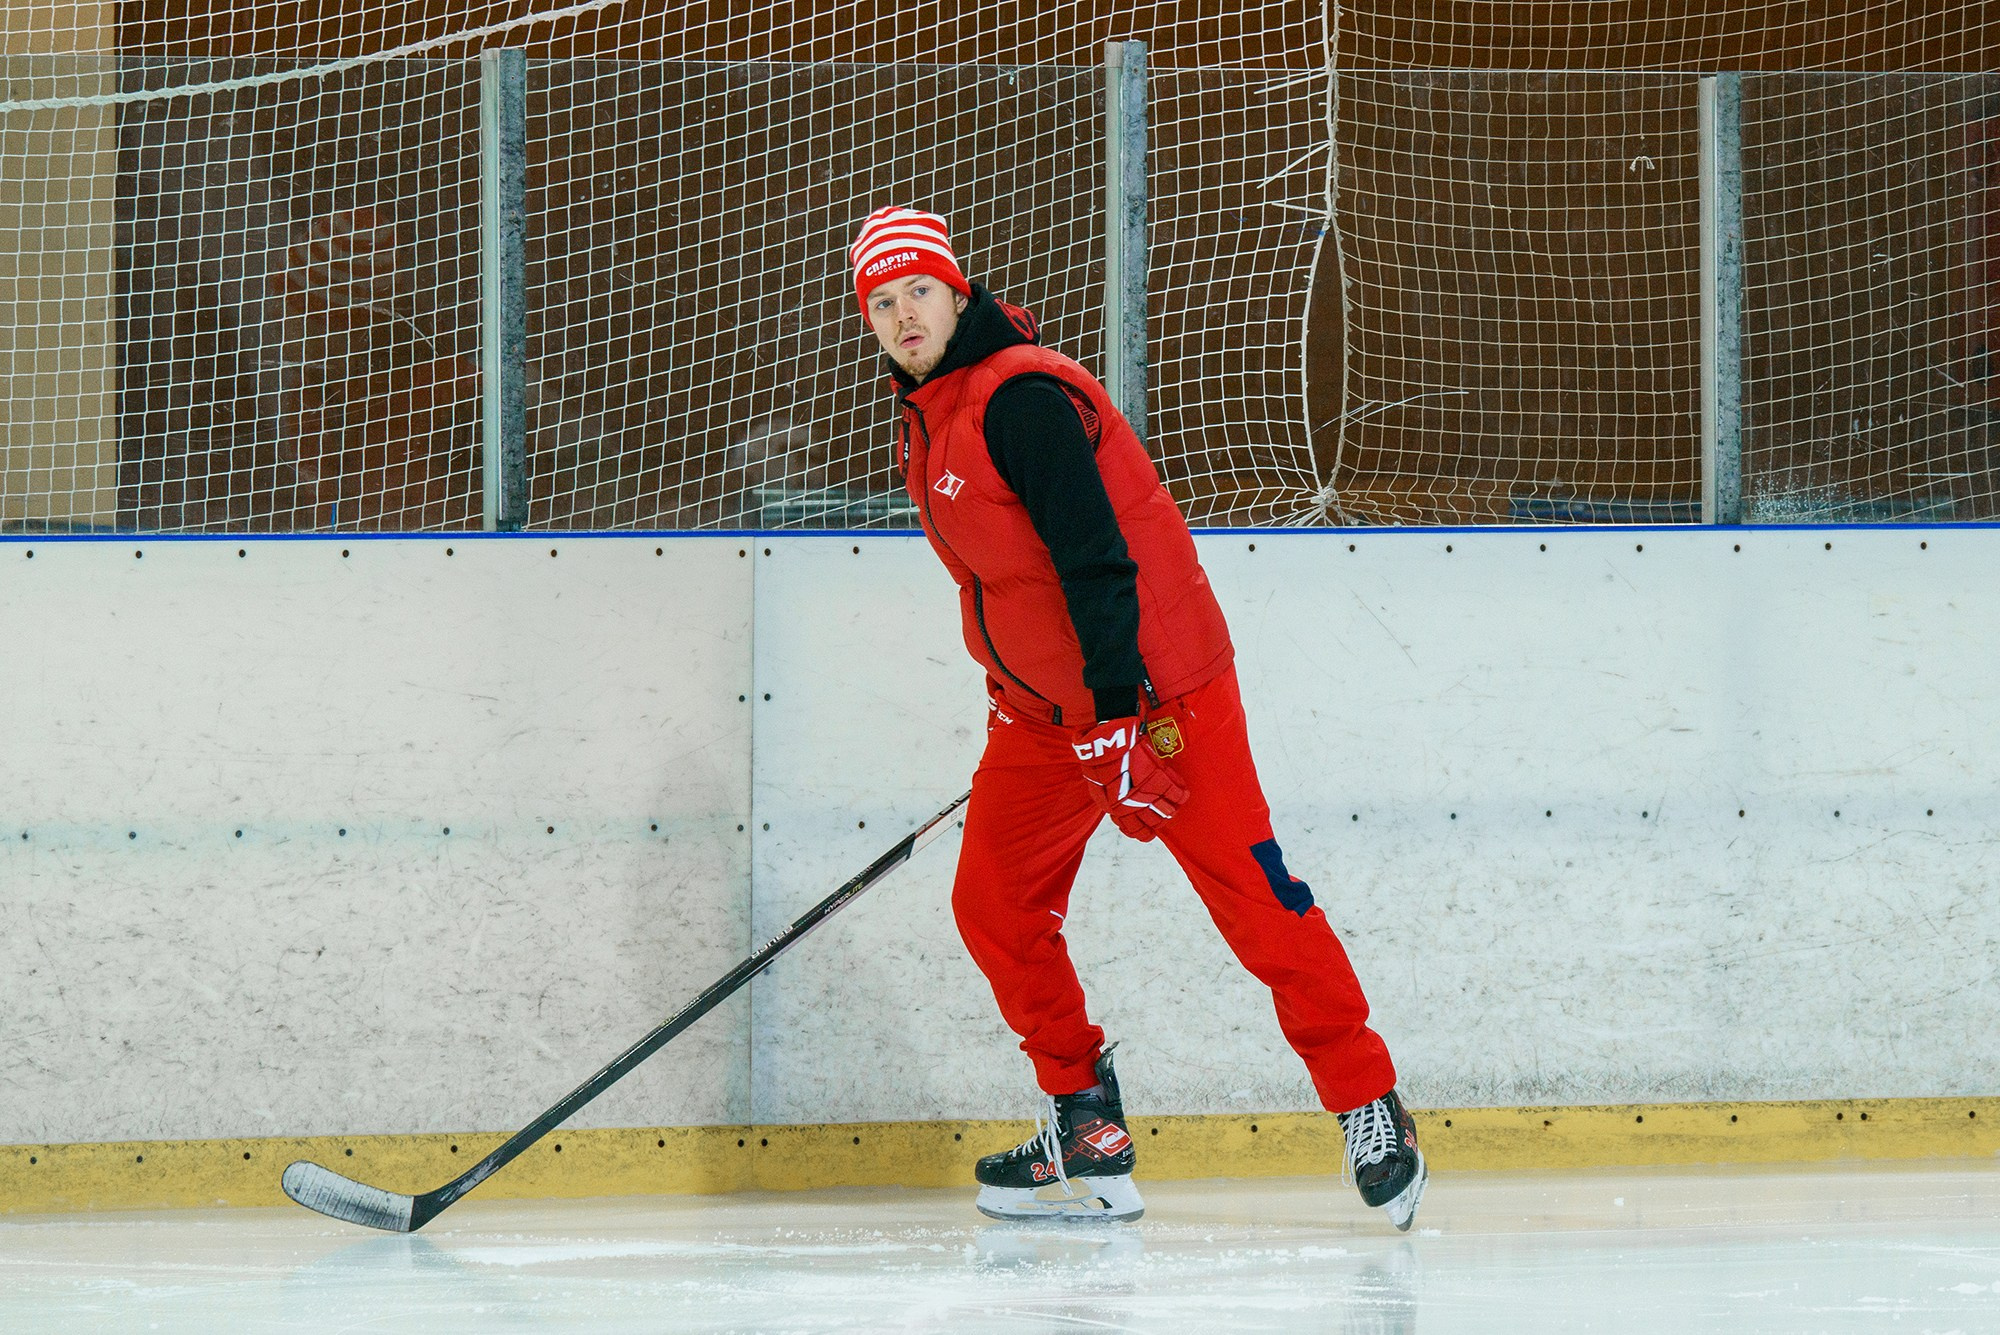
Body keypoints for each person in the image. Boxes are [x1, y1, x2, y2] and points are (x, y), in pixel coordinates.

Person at [847, 206, 1426, 1230]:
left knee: (1252, 899)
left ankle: (1366, 1102)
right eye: (880, 304)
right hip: (1040, 721)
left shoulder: (1017, 396)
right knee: (994, 906)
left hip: (1159, 705)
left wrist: (1113, 712)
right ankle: (1084, 1124)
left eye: (916, 292)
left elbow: (1096, 559)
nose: (901, 316)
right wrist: (1045, 703)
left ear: (957, 289)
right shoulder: (930, 409)